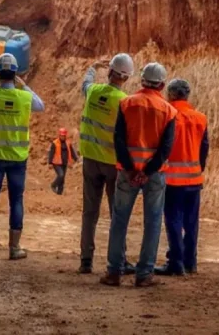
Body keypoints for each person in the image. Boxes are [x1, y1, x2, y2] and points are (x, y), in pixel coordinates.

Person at [100, 63, 177, 288]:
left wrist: (132, 169)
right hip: (154, 175)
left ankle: (114, 272)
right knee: (152, 223)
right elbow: (165, 148)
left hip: (127, 172)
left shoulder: (127, 103)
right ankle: (144, 274)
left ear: (142, 81)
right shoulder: (168, 111)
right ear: (162, 84)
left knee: (119, 221)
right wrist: (147, 172)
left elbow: (119, 139)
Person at [0, 53, 44, 261]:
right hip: (17, 159)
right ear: (15, 75)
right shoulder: (24, 97)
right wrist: (24, 86)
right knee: (16, 201)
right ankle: (14, 248)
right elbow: (41, 105)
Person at [78, 54, 137, 275]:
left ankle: (86, 260)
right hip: (113, 164)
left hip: (90, 160)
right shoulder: (125, 101)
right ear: (127, 78)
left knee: (89, 212)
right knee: (117, 213)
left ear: (109, 72)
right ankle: (119, 259)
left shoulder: (93, 92)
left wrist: (93, 67)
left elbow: (85, 83)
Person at [156, 79, 209, 276]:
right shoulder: (200, 118)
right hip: (194, 180)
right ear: (187, 95)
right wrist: (198, 169)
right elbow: (204, 148)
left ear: (170, 94)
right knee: (191, 222)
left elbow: (161, 146)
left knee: (173, 220)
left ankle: (176, 263)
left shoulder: (168, 115)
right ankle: (191, 262)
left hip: (171, 180)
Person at [47, 128, 78, 195]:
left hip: (64, 163)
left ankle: (59, 192)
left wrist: (76, 158)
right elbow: (51, 153)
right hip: (56, 163)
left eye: (63, 136)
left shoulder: (68, 142)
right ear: (59, 135)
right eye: (61, 135)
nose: (62, 137)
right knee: (61, 175)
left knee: (62, 178)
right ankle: (53, 185)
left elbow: (72, 151)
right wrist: (50, 162)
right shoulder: (55, 143)